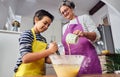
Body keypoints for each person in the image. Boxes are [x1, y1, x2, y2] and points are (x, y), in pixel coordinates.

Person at [59, 0, 102, 75]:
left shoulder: (84, 18)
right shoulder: (64, 27)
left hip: (88, 60)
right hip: (73, 64)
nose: (65, 13)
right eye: (62, 12)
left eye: (66, 10)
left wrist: (84, 34)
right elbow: (66, 47)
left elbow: (97, 36)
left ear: (72, 8)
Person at [14, 9, 58, 76]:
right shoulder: (27, 34)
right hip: (25, 74)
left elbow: (46, 60)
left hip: (39, 74)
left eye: (48, 25)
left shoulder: (43, 39)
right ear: (36, 20)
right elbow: (26, 58)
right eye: (45, 23)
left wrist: (58, 57)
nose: (46, 27)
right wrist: (50, 51)